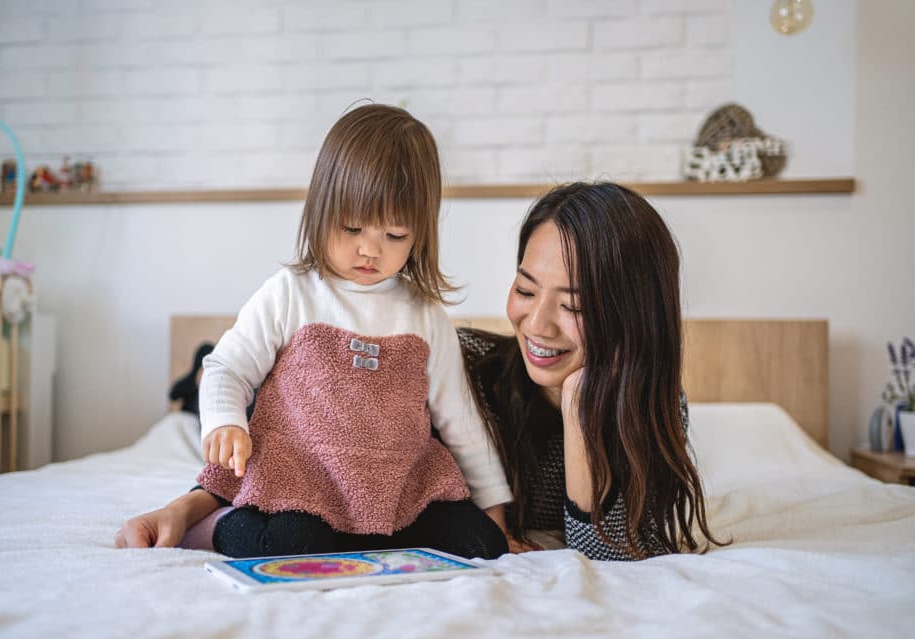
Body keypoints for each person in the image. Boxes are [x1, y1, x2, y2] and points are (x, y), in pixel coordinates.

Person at [115, 104, 511, 560]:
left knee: (483, 544)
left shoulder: (425, 316)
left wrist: (495, 510)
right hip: (303, 482)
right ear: (322, 210)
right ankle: (219, 522)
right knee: (292, 544)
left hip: (396, 491)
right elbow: (227, 367)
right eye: (352, 227)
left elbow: (461, 422)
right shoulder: (290, 294)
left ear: (420, 234)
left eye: (395, 235)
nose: (369, 249)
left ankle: (366, 534)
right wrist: (225, 420)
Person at [459, 181, 724, 560]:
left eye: (575, 307)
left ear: (632, 316)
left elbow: (609, 557)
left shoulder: (650, 405)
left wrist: (581, 411)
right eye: (526, 291)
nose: (537, 324)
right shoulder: (467, 370)